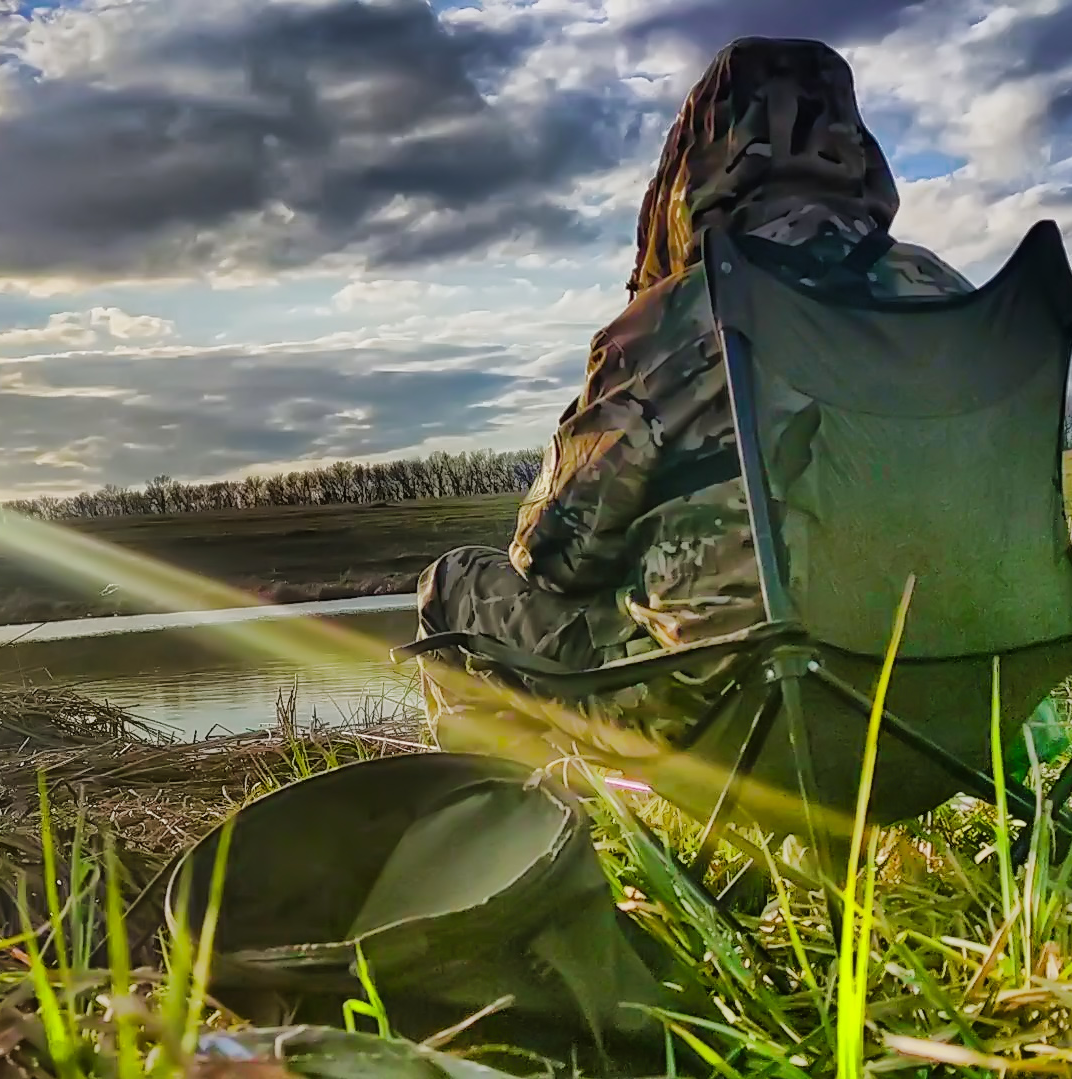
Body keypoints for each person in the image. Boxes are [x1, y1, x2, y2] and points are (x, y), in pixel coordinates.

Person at [415, 37, 976, 770]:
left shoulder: (682, 314)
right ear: (857, 150)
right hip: (961, 693)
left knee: (452, 585)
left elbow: (552, 558)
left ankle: (518, 841)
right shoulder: (947, 292)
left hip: (738, 712)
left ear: (694, 167)